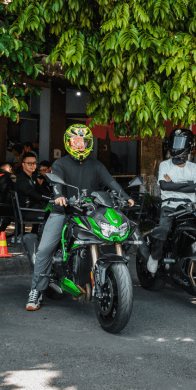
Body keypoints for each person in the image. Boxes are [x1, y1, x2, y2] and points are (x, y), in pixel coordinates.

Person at [25, 124, 136, 311]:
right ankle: (36, 290)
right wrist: (59, 196)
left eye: (83, 141)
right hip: (64, 211)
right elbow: (56, 183)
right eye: (75, 141)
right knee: (45, 250)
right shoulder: (60, 164)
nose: (79, 145)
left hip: (90, 211)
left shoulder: (96, 165)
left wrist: (126, 197)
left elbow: (110, 182)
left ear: (88, 144)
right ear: (68, 143)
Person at [146, 128, 196, 273]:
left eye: (181, 142)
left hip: (189, 207)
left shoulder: (194, 167)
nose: (177, 146)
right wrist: (188, 184)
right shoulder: (164, 165)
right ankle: (154, 257)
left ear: (189, 145)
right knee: (163, 229)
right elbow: (164, 186)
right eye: (175, 142)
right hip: (169, 205)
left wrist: (174, 184)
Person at [15, 154, 50, 234]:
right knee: (52, 212)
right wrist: (51, 199)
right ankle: (38, 235)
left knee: (50, 207)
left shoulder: (32, 177)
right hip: (25, 211)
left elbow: (41, 191)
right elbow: (35, 195)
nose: (32, 165)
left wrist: (53, 196)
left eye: (34, 163)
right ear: (23, 164)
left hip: (33, 208)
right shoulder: (22, 179)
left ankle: (34, 234)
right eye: (29, 163)